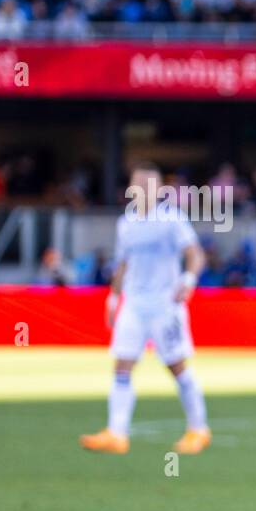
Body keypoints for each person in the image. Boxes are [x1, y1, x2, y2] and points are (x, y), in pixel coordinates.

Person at [80, 164, 210, 456]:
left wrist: (189, 279)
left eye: (148, 184)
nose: (142, 190)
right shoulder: (126, 223)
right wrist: (113, 299)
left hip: (165, 305)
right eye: (138, 183)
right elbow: (123, 264)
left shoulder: (171, 220)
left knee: (176, 367)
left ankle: (199, 429)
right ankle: (117, 433)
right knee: (122, 365)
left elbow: (195, 253)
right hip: (134, 305)